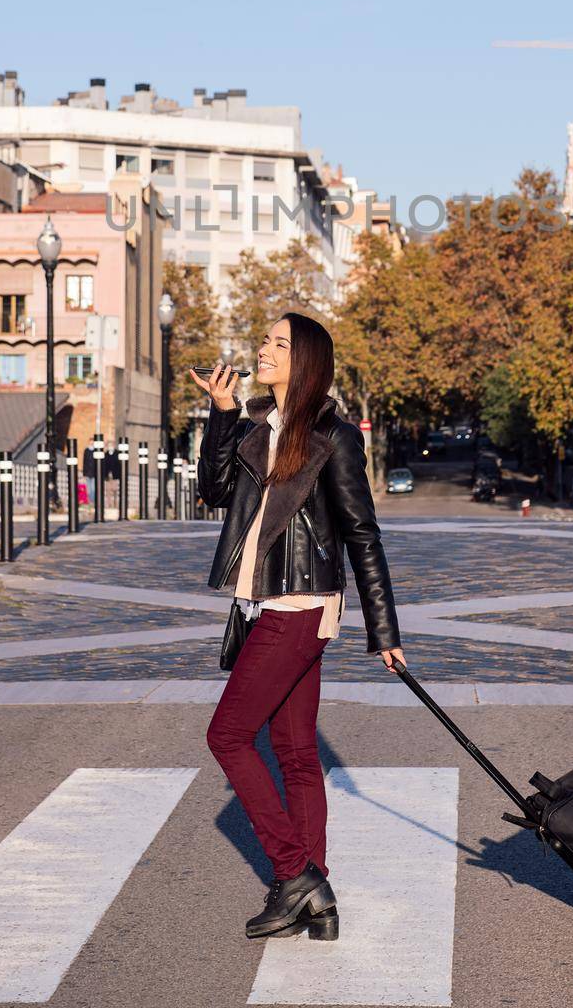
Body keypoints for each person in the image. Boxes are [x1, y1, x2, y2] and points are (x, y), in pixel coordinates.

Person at [193, 311, 405, 944]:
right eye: (264, 340)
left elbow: (362, 531)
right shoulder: (259, 424)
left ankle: (294, 874)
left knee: (228, 737)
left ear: (305, 360)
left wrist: (384, 630)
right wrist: (223, 412)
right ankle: (317, 897)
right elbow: (211, 489)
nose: (264, 350)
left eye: (279, 345)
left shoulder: (333, 436)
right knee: (295, 753)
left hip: (302, 606)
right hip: (267, 604)